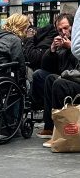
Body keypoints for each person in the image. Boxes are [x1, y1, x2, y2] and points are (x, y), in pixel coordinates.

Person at [31, 13, 77, 144]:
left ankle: (54, 129)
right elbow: (46, 66)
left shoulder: (76, 43)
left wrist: (71, 48)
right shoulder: (62, 41)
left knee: (54, 81)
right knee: (40, 75)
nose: (63, 32)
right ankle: (48, 124)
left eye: (66, 28)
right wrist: (52, 50)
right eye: (60, 30)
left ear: (73, 26)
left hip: (75, 79)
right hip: (64, 76)